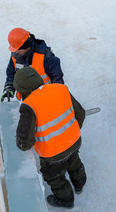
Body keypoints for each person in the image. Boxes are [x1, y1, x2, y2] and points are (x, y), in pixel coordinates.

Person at [13, 67, 87, 209]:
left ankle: (66, 201)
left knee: (55, 177)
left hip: (52, 154)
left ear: (23, 91)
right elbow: (81, 113)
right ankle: (80, 184)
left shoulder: (29, 106)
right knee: (74, 163)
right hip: (74, 141)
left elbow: (24, 143)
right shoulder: (60, 89)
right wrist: (71, 132)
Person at [1, 27, 64, 102]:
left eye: (17, 49)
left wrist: (56, 97)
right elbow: (11, 72)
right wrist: (9, 87)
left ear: (25, 47)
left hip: (46, 97)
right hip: (28, 100)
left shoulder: (44, 55)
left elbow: (57, 77)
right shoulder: (15, 56)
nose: (15, 52)